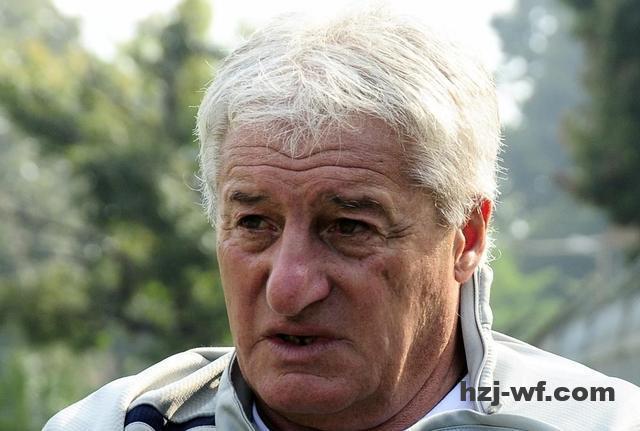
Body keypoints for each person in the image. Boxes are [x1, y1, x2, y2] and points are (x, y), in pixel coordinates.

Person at [44, 8, 640, 431]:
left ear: (467, 237)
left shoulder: (600, 421)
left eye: (349, 227)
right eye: (254, 223)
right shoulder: (118, 423)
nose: (288, 288)